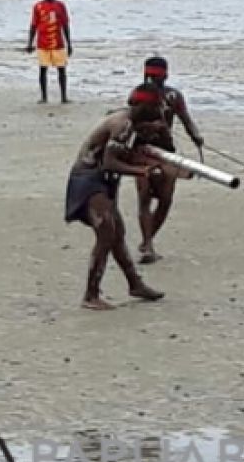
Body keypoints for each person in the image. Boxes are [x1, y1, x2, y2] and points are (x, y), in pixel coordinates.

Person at [64, 87, 167, 310]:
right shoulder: (123, 125)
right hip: (89, 179)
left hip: (104, 180)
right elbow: (110, 162)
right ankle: (91, 295)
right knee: (106, 233)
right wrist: (143, 172)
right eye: (155, 107)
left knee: (117, 233)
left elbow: (123, 154)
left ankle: (135, 284)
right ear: (143, 107)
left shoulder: (131, 123)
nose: (159, 111)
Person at [130, 57, 204, 263]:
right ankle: (147, 244)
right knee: (157, 199)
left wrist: (196, 137)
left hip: (152, 152)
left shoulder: (145, 94)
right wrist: (196, 137)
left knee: (154, 199)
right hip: (152, 151)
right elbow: (186, 120)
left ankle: (147, 242)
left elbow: (186, 120)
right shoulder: (159, 95)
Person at [25, 0, 72, 104]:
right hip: (43, 43)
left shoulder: (60, 6)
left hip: (58, 43)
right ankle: (44, 96)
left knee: (62, 70)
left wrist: (69, 43)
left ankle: (64, 96)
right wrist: (30, 42)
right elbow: (33, 25)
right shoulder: (38, 6)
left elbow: (65, 25)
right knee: (43, 70)